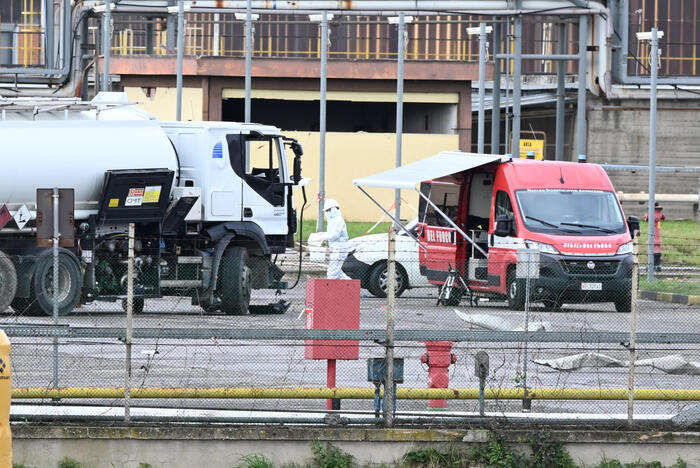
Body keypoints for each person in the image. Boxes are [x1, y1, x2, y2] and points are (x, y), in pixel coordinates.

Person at [310, 198, 350, 279]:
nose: (326, 213)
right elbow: (331, 234)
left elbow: (334, 235)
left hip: (339, 249)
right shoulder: (333, 220)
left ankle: (347, 288)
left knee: (333, 273)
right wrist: (322, 234)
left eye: (327, 210)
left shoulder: (337, 220)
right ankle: (352, 287)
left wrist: (321, 237)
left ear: (333, 209)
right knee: (337, 272)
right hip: (336, 249)